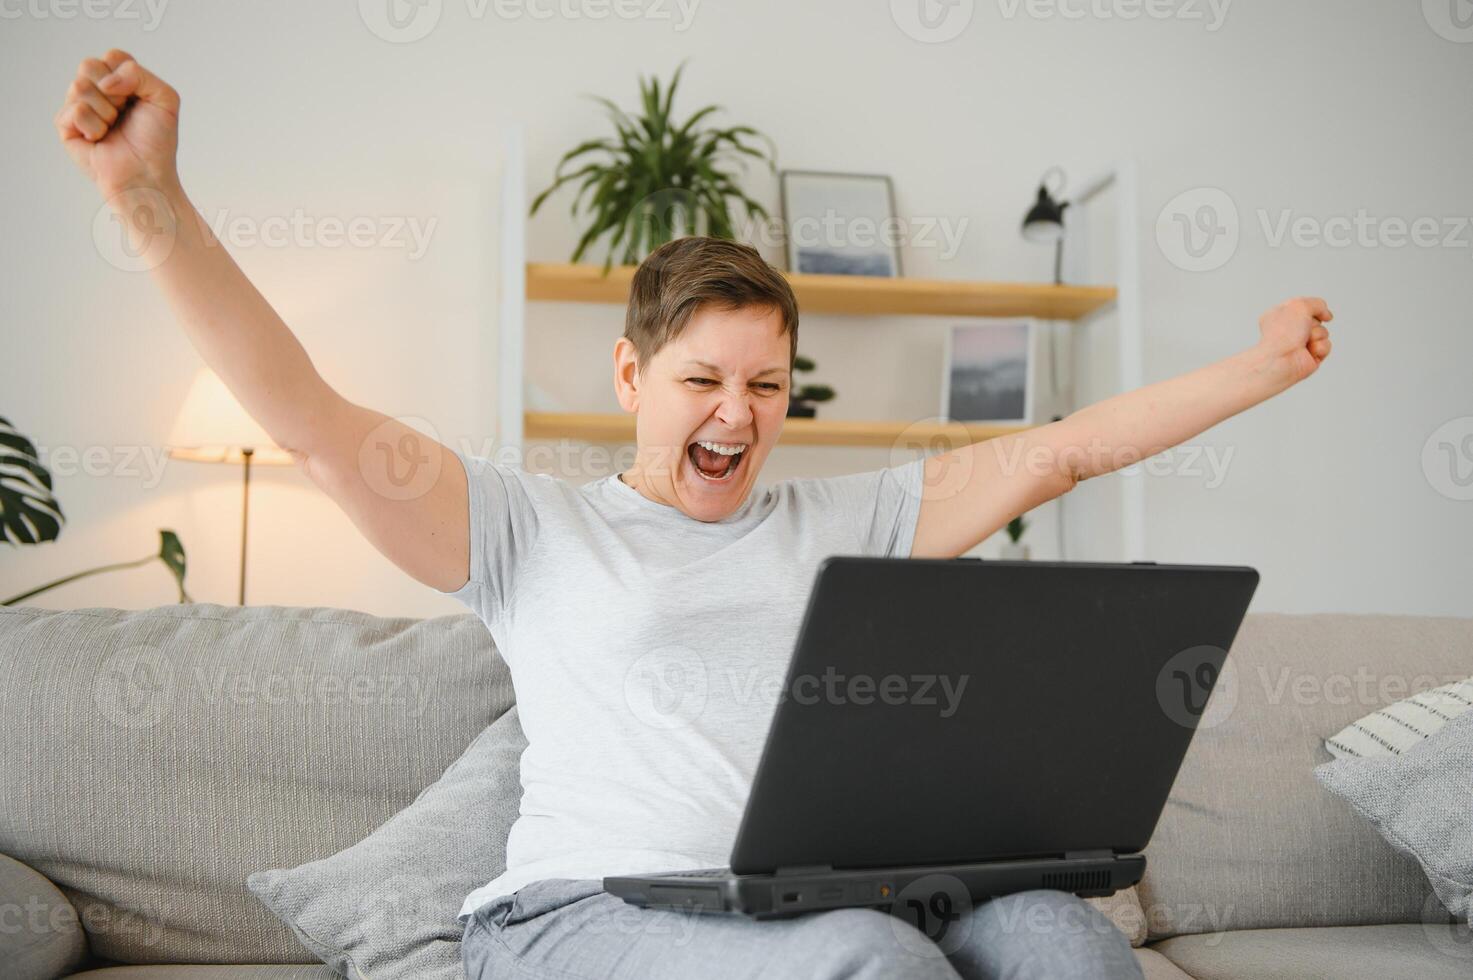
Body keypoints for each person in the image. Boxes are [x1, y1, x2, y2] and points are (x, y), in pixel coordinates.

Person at [55, 50, 1333, 980]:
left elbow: (1059, 453)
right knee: (869, 961)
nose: (738, 411)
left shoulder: (849, 517)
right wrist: (149, 205)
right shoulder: (524, 528)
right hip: (584, 914)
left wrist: (1263, 367)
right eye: (704, 379)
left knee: (1068, 945)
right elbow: (312, 418)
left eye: (767, 384)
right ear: (631, 377)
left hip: (829, 895)